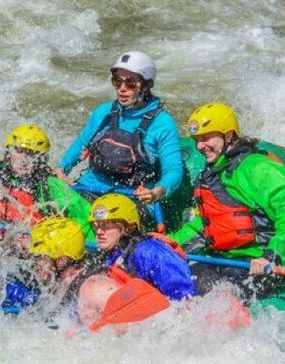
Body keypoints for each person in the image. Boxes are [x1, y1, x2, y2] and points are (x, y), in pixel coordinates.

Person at [170, 102, 285, 298]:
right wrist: (169, 243)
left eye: (206, 138)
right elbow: (209, 224)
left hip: (258, 262)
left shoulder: (258, 169)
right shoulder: (215, 170)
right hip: (224, 260)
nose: (200, 146)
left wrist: (272, 256)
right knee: (175, 279)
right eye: (197, 140)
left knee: (217, 294)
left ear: (228, 135)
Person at [57, 51, 191, 232]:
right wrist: (60, 170)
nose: (122, 88)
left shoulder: (162, 124)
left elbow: (173, 170)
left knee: (107, 221)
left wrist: (158, 191)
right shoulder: (103, 112)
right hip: (89, 188)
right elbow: (81, 144)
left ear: (146, 86)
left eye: (130, 83)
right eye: (117, 81)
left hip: (132, 198)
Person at [2, 217, 120, 327]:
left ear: (61, 260)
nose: (35, 264)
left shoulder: (93, 289)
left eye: (40, 258)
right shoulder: (59, 286)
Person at [88, 193, 198, 301]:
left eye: (107, 225)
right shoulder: (113, 254)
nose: (99, 232)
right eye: (96, 225)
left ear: (128, 227)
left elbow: (185, 296)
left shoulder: (149, 252)